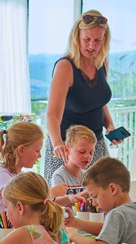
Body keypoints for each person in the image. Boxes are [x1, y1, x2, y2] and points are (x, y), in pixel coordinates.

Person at [44, 10, 122, 183]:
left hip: (95, 146)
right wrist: (57, 144)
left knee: (100, 195)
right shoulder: (65, 66)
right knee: (65, 197)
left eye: (98, 40)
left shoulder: (102, 62)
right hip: (68, 149)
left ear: (105, 40)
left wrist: (110, 125)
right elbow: (52, 114)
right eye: (87, 39)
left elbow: (98, 100)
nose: (92, 46)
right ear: (76, 37)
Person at [0, 121, 83, 217]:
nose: (40, 155)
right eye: (37, 151)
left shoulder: (21, 176)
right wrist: (51, 193)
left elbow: (42, 202)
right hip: (4, 228)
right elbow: (21, 203)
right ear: (21, 150)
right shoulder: (1, 176)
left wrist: (70, 199)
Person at [51, 125, 97, 190]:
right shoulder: (59, 175)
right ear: (67, 150)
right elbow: (57, 197)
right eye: (82, 152)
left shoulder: (89, 176)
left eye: (91, 153)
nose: (87, 156)